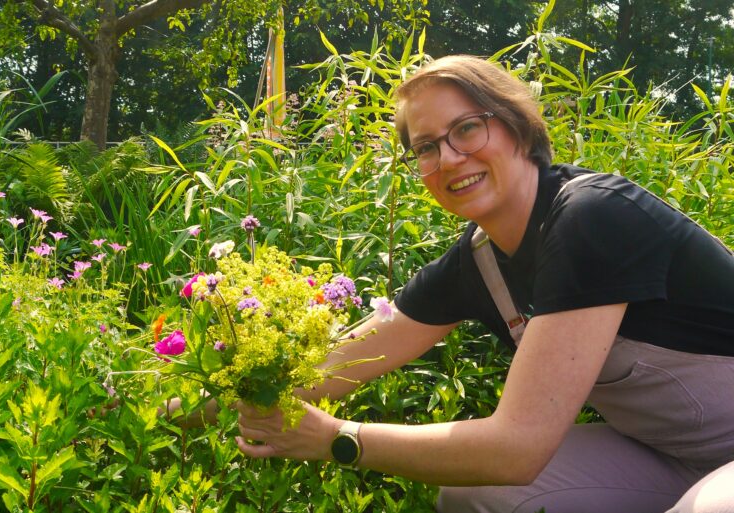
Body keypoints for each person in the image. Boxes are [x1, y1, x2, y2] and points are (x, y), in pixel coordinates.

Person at [232, 55, 734, 513]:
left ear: (517, 127)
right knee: (476, 495)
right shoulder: (479, 263)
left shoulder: (594, 216)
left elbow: (518, 449)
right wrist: (186, 400)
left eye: (467, 129)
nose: (448, 159)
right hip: (667, 455)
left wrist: (342, 438)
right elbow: (335, 365)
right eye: (425, 148)